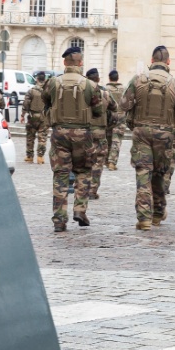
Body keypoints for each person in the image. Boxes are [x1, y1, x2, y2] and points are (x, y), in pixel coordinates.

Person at [119, 45, 175, 230]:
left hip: (142, 133)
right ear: (168, 62)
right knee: (160, 175)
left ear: (151, 61)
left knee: (143, 174)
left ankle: (143, 218)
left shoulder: (138, 80)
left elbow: (124, 104)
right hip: (165, 135)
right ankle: (158, 214)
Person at [40, 47, 104, 231]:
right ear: (81, 63)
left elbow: (46, 101)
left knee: (60, 175)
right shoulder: (90, 85)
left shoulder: (53, 83)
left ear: (65, 63)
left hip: (59, 133)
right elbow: (99, 110)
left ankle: (59, 219)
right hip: (82, 134)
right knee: (83, 171)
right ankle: (80, 209)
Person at [85, 67, 108, 200]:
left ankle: (82, 188)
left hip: (84, 132)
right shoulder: (105, 93)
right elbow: (114, 109)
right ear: (98, 79)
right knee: (98, 162)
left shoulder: (81, 93)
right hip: (100, 132)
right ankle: (93, 190)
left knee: (84, 162)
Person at [20, 70, 48, 164]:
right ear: (45, 79)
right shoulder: (48, 92)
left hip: (32, 116)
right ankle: (40, 157)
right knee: (42, 137)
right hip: (44, 117)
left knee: (30, 137)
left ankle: (29, 156)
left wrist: (23, 115)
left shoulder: (31, 91)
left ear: (36, 79)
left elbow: (26, 103)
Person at [104, 69, 127, 170]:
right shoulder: (124, 89)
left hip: (108, 117)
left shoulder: (105, 89)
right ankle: (112, 161)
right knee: (116, 140)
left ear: (109, 78)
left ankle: (106, 160)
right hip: (120, 117)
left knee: (107, 139)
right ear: (118, 78)